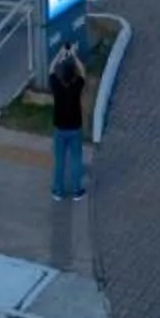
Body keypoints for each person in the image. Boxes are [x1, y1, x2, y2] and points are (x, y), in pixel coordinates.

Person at [48, 38, 88, 203]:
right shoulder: (77, 85)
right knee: (76, 160)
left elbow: (51, 70)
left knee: (59, 161)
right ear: (73, 75)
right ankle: (77, 190)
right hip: (75, 128)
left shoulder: (56, 86)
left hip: (59, 129)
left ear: (61, 74)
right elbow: (83, 72)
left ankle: (58, 190)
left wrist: (59, 54)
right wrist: (74, 55)